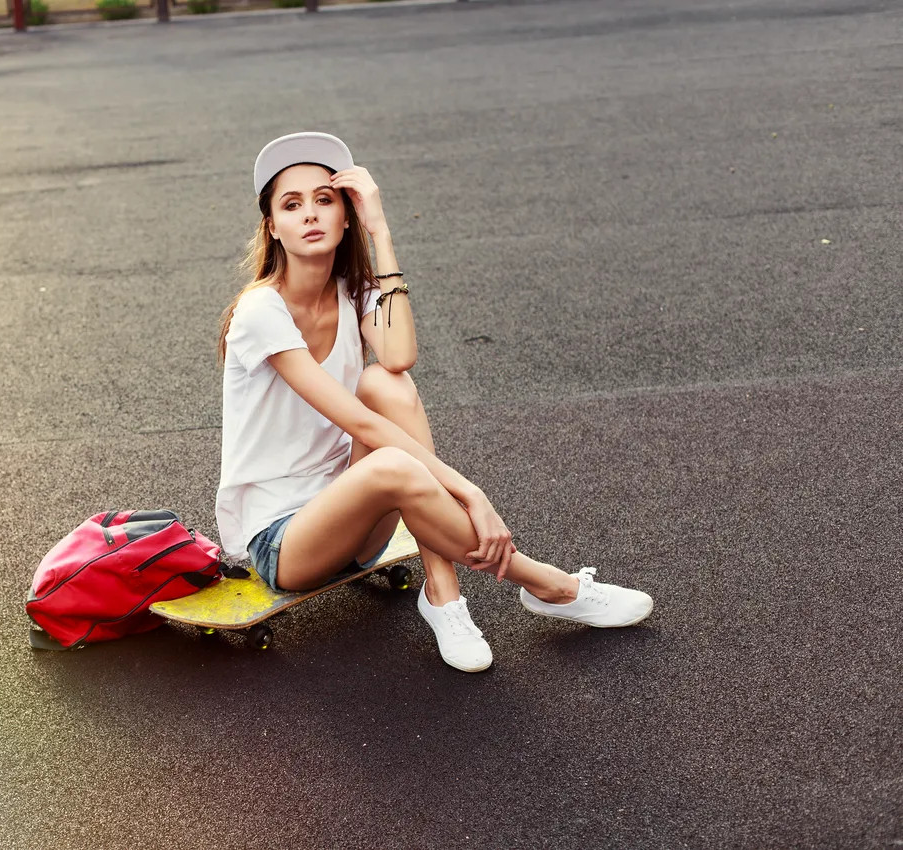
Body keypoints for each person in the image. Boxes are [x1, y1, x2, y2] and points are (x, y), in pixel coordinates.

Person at [214, 132, 653, 672]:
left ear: (346, 216)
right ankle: (549, 586)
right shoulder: (261, 311)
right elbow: (356, 422)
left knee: (387, 385)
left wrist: (381, 229)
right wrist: (472, 494)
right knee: (391, 455)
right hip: (285, 542)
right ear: (272, 227)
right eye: (292, 204)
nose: (310, 214)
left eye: (324, 200)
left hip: (355, 520)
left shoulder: (351, 291)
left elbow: (399, 355)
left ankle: (443, 595)